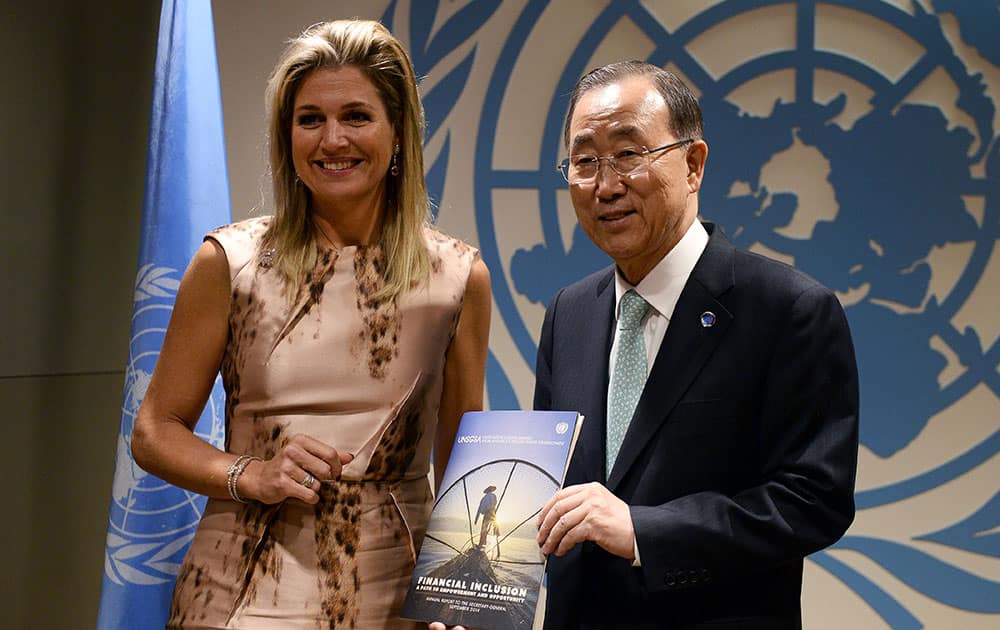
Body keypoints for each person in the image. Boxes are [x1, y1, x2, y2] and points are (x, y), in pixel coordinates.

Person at [131, 19, 491, 629]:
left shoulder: (458, 277)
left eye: (356, 116)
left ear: (398, 132)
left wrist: (467, 604)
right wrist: (254, 474)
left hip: (396, 595)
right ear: (286, 136)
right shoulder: (230, 262)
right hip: (239, 590)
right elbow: (155, 431)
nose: (332, 139)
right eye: (309, 119)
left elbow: (466, 462)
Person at [531, 61, 860, 628]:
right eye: (585, 161)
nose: (606, 185)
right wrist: (472, 594)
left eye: (629, 154)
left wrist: (644, 531)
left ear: (693, 164)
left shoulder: (789, 310)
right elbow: (548, 488)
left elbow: (813, 500)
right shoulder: (569, 314)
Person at [474, 485, 499, 549]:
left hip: (488, 512)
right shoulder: (486, 498)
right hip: (490, 512)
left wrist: (476, 520)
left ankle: (482, 543)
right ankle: (482, 543)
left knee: (484, 528)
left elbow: (479, 509)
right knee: (488, 526)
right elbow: (494, 503)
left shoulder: (487, 497)